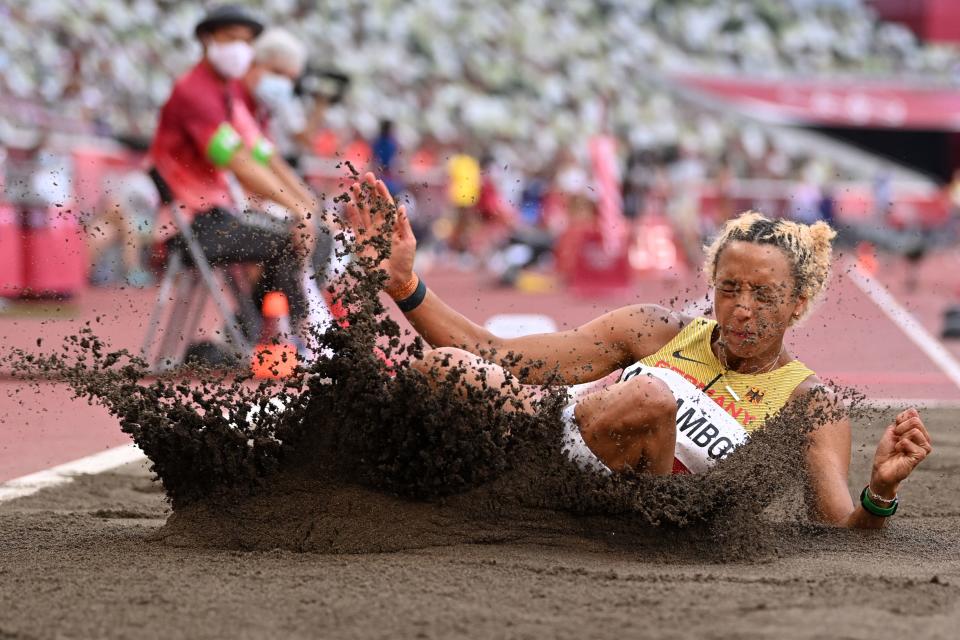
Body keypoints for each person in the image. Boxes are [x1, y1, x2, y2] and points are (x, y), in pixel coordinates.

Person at [345, 173, 932, 529]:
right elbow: (500, 354)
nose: (742, 308)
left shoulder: (812, 405)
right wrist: (405, 288)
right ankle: (364, 486)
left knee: (650, 398)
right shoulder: (655, 329)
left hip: (636, 511)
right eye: (729, 289)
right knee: (446, 369)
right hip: (546, 446)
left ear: (798, 303)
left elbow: (835, 532)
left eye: (764, 294)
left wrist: (879, 494)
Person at [148, 5, 317, 333]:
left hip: (218, 215)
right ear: (207, 39)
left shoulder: (224, 92)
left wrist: (309, 205)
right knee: (286, 242)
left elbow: (264, 155)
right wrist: (298, 207)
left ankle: (264, 334)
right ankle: (280, 335)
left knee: (300, 235)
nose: (240, 49)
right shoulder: (194, 92)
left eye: (246, 41)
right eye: (231, 39)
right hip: (189, 223)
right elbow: (237, 161)